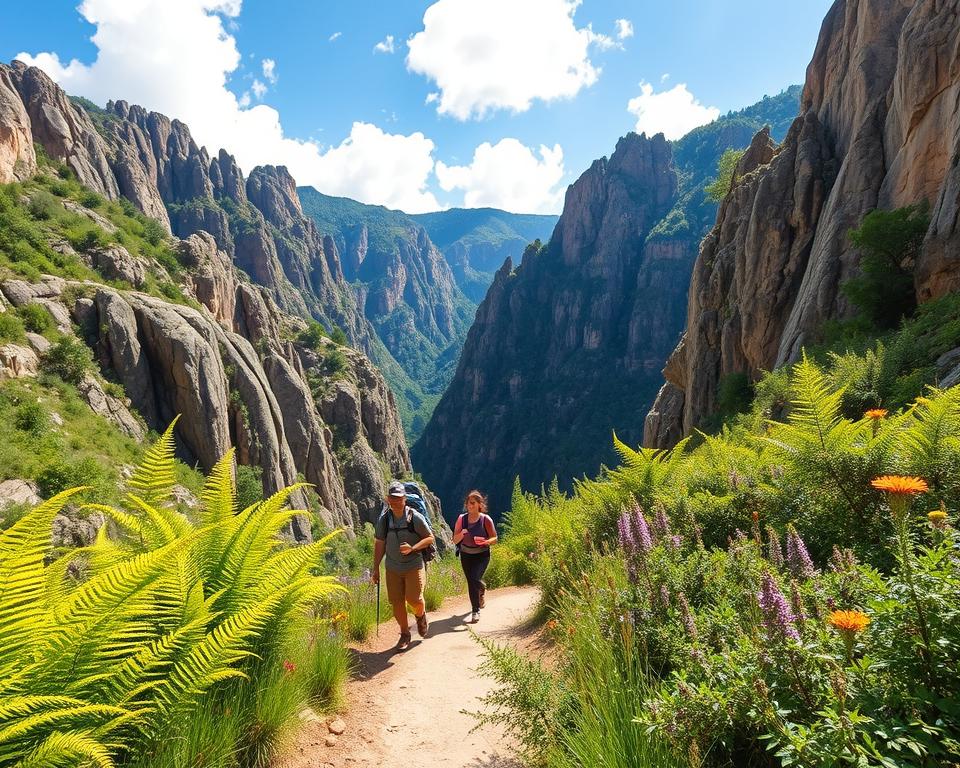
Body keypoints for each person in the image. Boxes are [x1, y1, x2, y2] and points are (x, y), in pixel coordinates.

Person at [372, 480, 435, 650]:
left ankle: (420, 616)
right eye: (392, 498)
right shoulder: (384, 520)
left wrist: (413, 548)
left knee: (414, 599)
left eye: (399, 498)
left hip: (413, 565)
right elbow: (379, 543)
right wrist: (375, 568)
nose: (395, 501)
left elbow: (430, 538)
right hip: (392, 567)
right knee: (397, 601)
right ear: (388, 499)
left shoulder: (414, 517)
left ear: (404, 499)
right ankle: (405, 634)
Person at [453, 490, 498, 623]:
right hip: (466, 554)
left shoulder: (485, 519)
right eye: (468, 503)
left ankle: (475, 610)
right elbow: (455, 540)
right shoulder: (462, 519)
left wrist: (486, 542)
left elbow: (495, 538)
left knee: (474, 579)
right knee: (472, 582)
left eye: (473, 503)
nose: (469, 505)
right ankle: (479, 593)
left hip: (482, 555)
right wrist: (462, 534)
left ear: (480, 504)